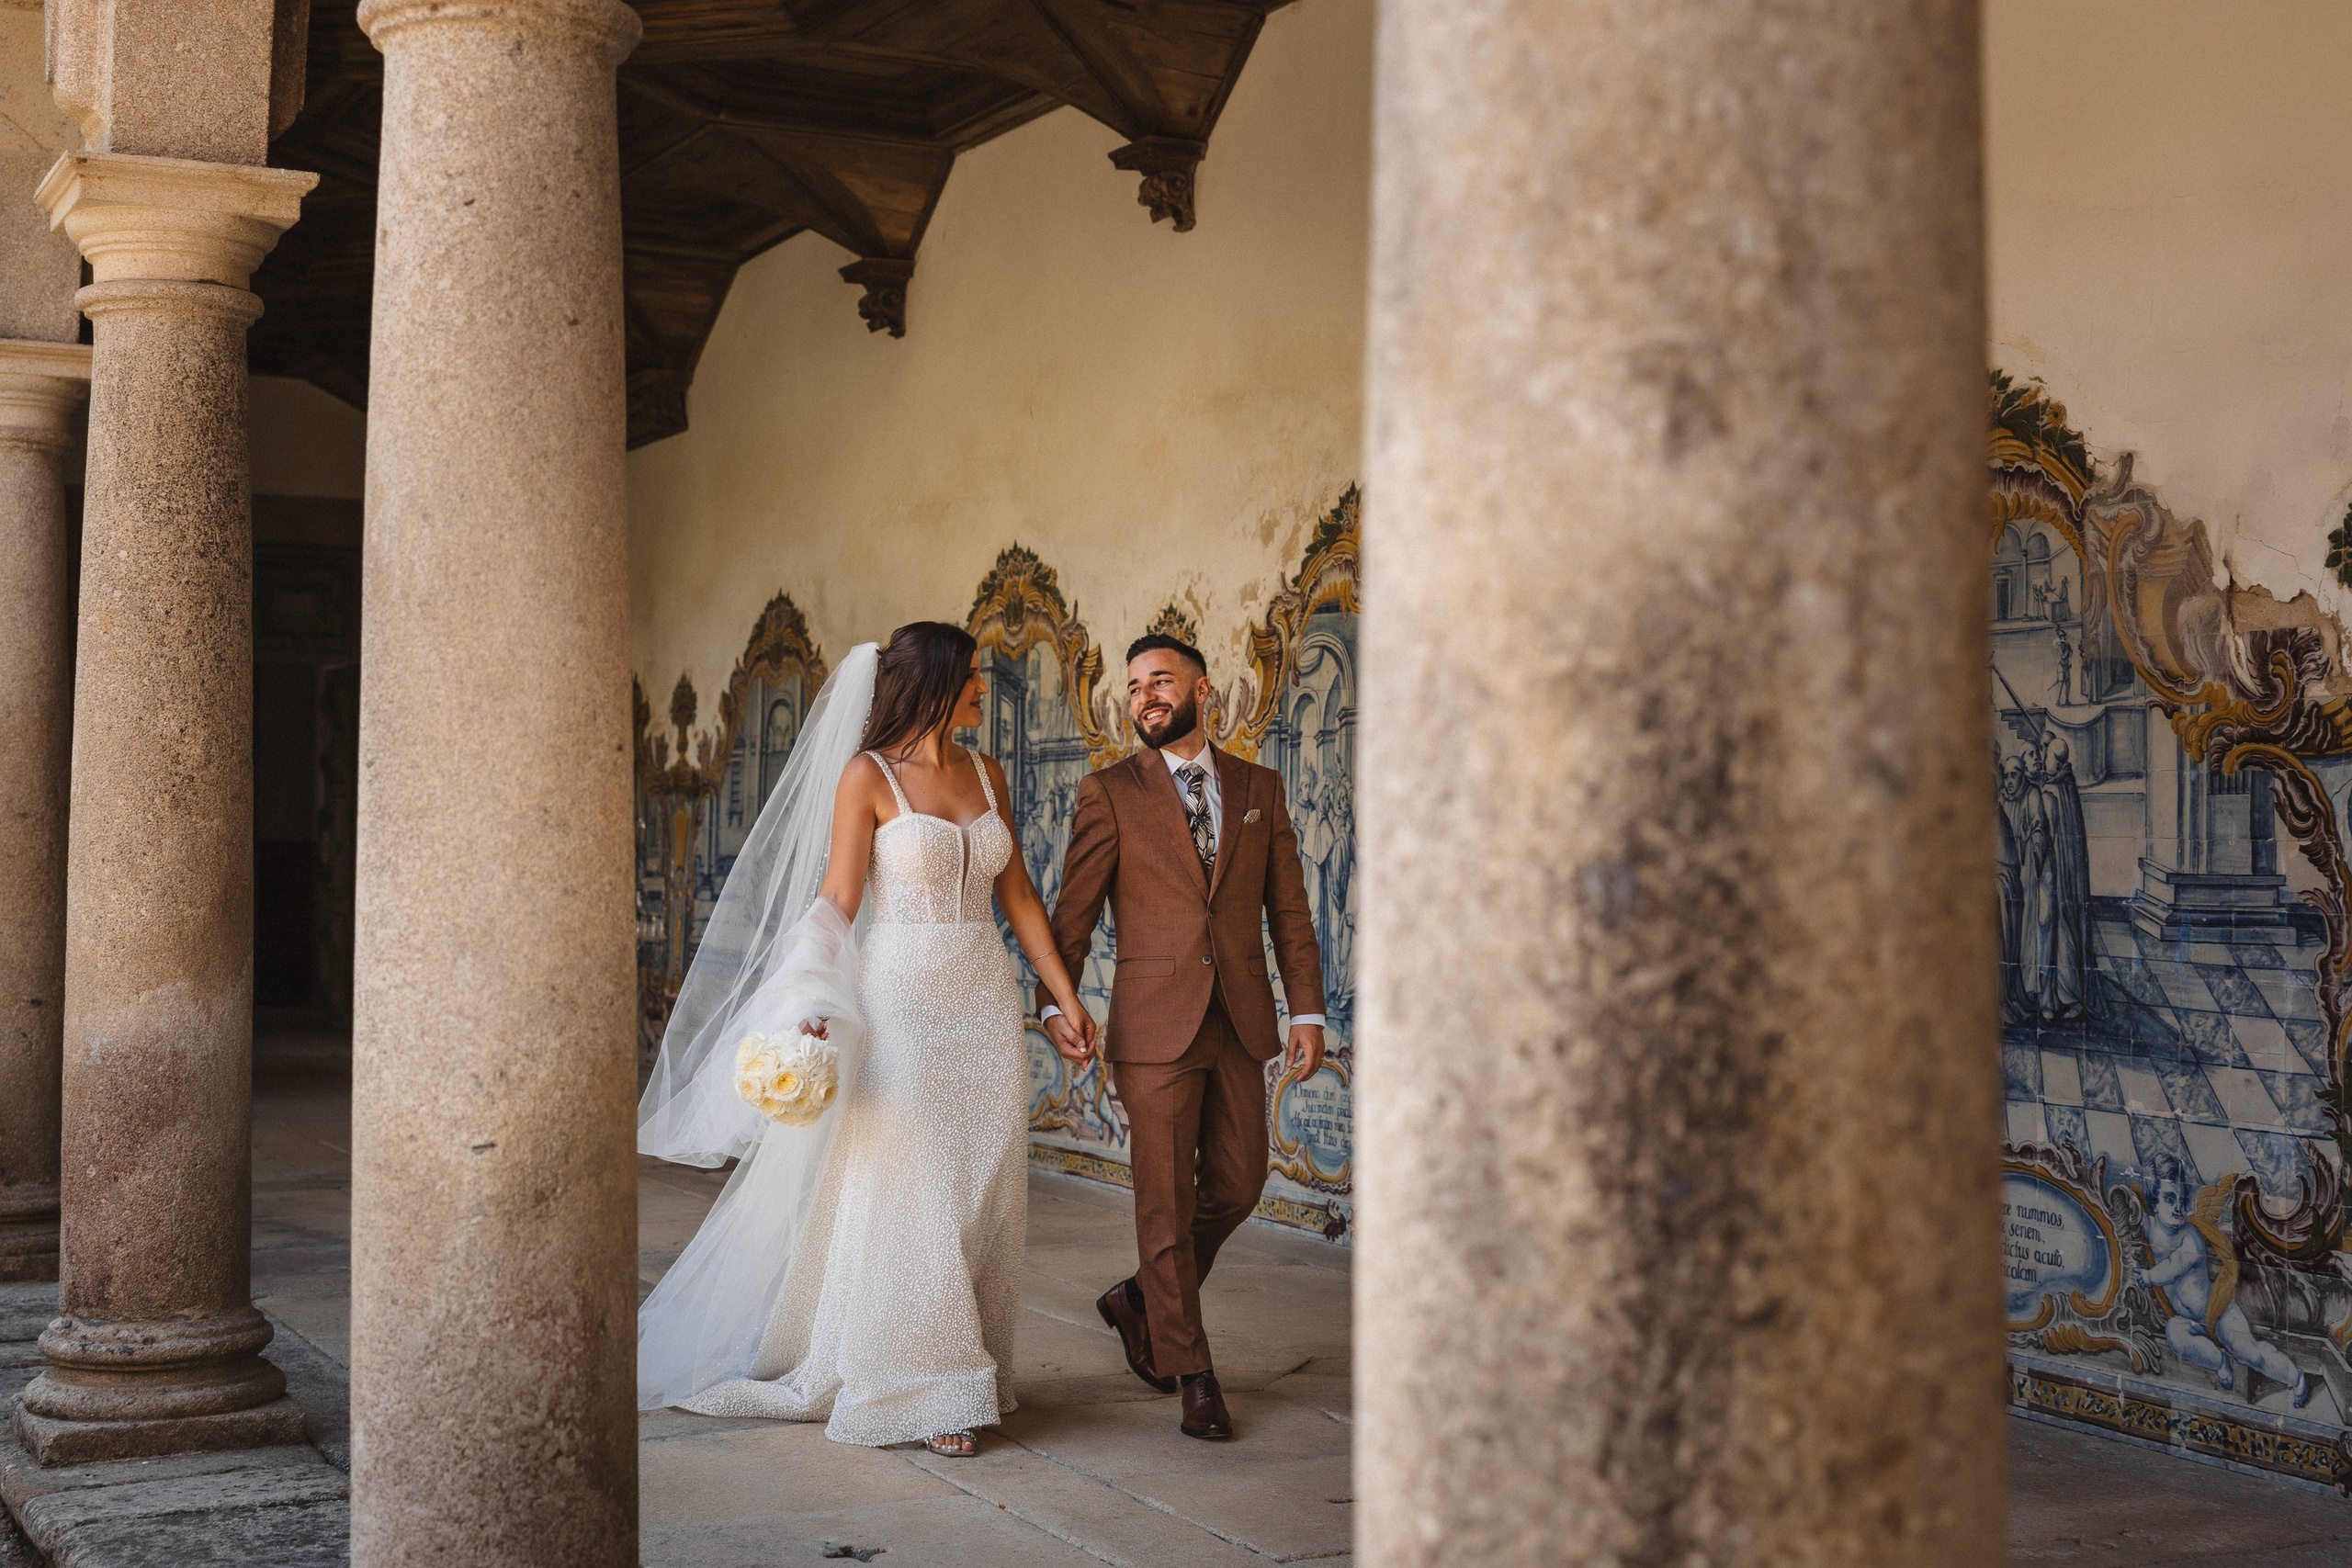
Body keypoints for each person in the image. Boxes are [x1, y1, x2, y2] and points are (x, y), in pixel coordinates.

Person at [634, 623, 1097, 1458]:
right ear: (936, 683)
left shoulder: (985, 772)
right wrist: (810, 997)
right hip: (901, 1006)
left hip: (984, 1004)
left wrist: (1064, 997)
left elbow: (1020, 896)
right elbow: (839, 896)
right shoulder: (867, 775)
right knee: (916, 1189)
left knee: (981, 1183)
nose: (984, 692)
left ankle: (970, 1364)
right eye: (972, 679)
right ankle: (923, 1385)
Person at [1039, 633, 1327, 1439]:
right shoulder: (1110, 793)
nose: (1144, 698)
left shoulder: (1260, 787)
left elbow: (1290, 912)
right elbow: (1075, 913)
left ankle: (1137, 1298)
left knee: (1237, 1183)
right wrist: (1058, 1000)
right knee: (1163, 1203)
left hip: (1239, 1018)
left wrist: (1307, 1010)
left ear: (1204, 691)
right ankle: (1191, 1367)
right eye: (1133, 688)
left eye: (1160, 681)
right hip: (1153, 1023)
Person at [2135, 1157, 2312, 1407]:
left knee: (2249, 1352)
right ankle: (2220, 1362)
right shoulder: (2151, 1229)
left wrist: (2149, 1277)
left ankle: (2296, 1378)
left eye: (2182, 1200)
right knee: (2175, 1334)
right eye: (2169, 1199)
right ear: (2153, 1201)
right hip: (2188, 1320)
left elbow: (2174, 1267)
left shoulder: (2190, 1236)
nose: (2178, 1208)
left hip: (2219, 1313)